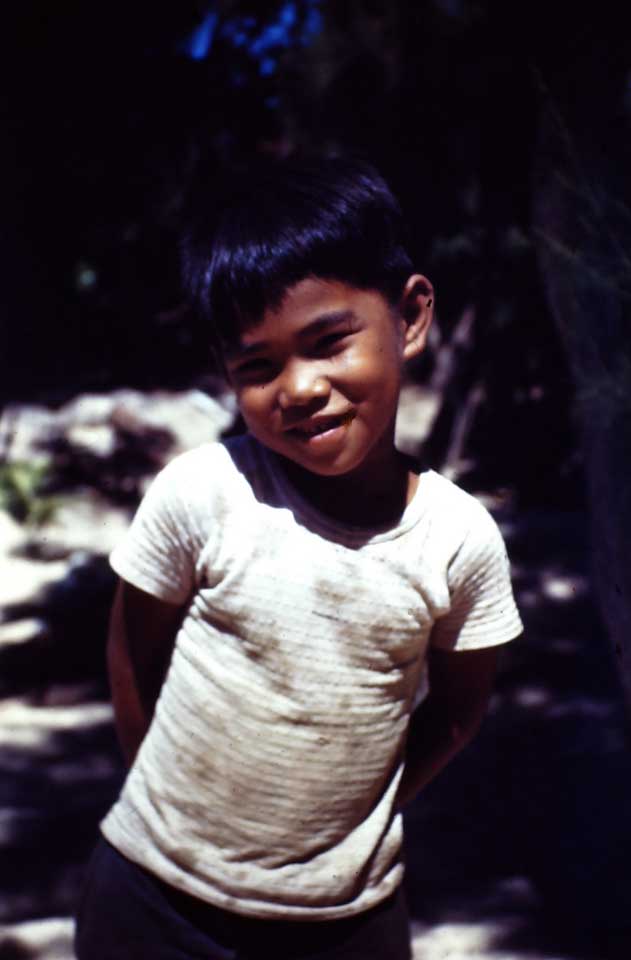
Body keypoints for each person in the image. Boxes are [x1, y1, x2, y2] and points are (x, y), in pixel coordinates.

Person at [75, 154, 522, 959]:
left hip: (346, 924)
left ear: (411, 316)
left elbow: (458, 714)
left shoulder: (459, 542)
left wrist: (348, 823)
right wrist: (164, 806)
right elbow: (130, 650)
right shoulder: (203, 492)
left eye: (328, 342)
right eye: (258, 365)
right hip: (149, 903)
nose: (300, 388)